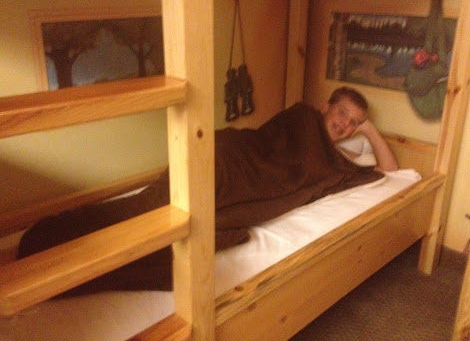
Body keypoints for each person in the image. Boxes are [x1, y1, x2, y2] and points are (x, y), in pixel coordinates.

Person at [17, 86, 397, 296]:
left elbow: (391, 173)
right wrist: (355, 128)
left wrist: (371, 131)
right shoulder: (301, 117)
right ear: (326, 105)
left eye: (355, 123)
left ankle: (61, 257)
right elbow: (269, 147)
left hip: (235, 179)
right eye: (342, 113)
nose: (345, 125)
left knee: (161, 224)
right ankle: (53, 241)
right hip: (228, 156)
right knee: (146, 213)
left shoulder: (339, 162)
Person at [321, 86, 398, 172]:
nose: (346, 123)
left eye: (353, 122)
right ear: (325, 107)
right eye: (342, 113)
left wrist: (369, 129)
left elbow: (390, 169)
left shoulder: (335, 153)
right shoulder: (306, 134)